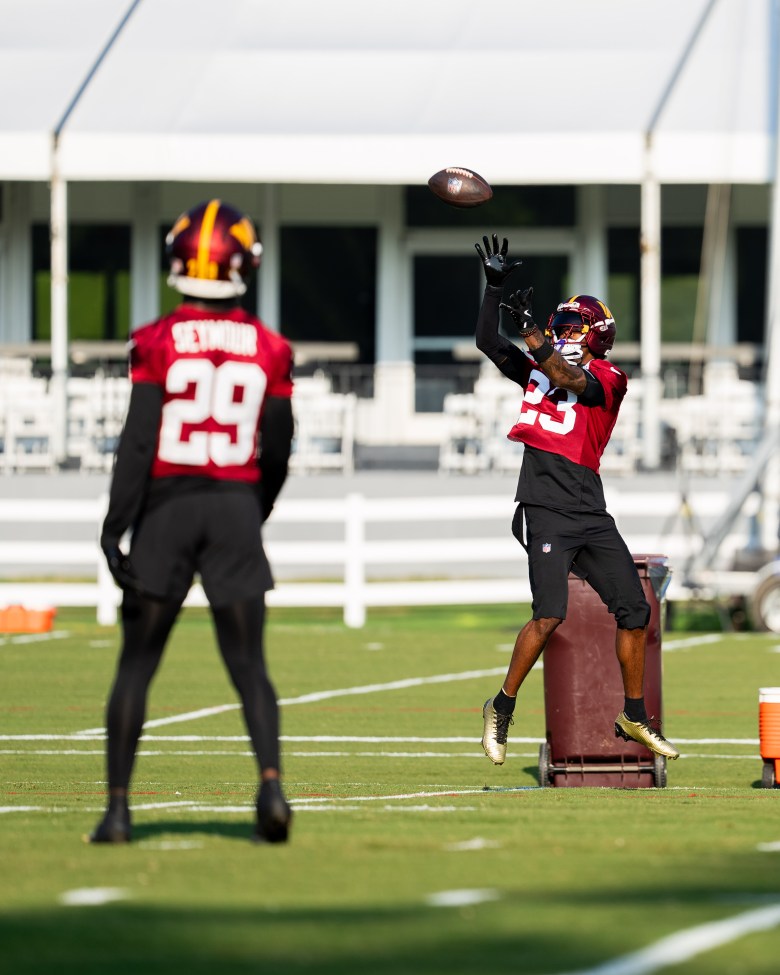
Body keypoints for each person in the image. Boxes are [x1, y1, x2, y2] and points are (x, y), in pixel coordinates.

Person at [89, 199, 295, 844]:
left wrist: (114, 526)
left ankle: (119, 811)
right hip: (233, 501)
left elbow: (139, 441)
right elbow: (280, 444)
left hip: (169, 507)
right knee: (249, 665)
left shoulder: (157, 339)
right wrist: (253, 508)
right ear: (242, 265)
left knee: (136, 666)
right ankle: (270, 787)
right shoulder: (269, 346)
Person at [473, 233, 679, 767]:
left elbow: (570, 378)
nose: (563, 336)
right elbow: (489, 345)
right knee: (549, 616)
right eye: (558, 327)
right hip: (544, 505)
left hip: (588, 507)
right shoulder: (540, 369)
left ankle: (633, 713)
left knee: (635, 609)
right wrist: (494, 289)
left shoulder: (610, 377)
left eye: (572, 329)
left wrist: (536, 338)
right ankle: (501, 705)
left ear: (597, 337)